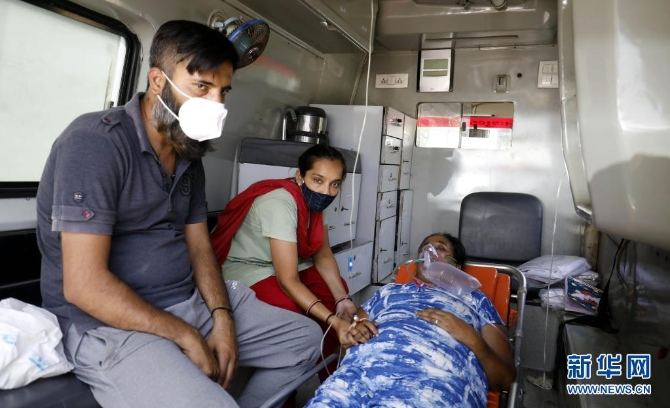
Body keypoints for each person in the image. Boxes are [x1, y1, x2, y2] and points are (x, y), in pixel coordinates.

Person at [36, 20, 321, 408]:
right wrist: (186, 335)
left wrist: (221, 317)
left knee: (305, 341)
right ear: (158, 81)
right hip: (109, 325)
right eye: (202, 87)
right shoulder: (95, 143)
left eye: (223, 91)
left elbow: (199, 247)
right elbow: (84, 286)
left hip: (187, 303)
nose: (216, 103)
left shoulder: (187, 153)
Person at [304, 233, 516, 408]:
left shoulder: (475, 299)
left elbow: (504, 378)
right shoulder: (389, 291)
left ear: (457, 266)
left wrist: (472, 339)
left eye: (440, 248)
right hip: (358, 376)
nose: (429, 251)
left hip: (432, 382)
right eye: (424, 248)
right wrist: (354, 334)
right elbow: (342, 347)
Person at [210, 145, 363, 379]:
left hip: (285, 265)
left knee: (333, 292)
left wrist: (342, 299)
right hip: (249, 267)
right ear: (300, 176)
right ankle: (290, 382)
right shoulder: (280, 204)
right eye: (318, 180)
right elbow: (288, 281)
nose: (326, 191)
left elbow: (322, 256)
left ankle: (330, 377)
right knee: (291, 309)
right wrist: (333, 320)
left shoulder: (314, 204)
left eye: (335, 184)